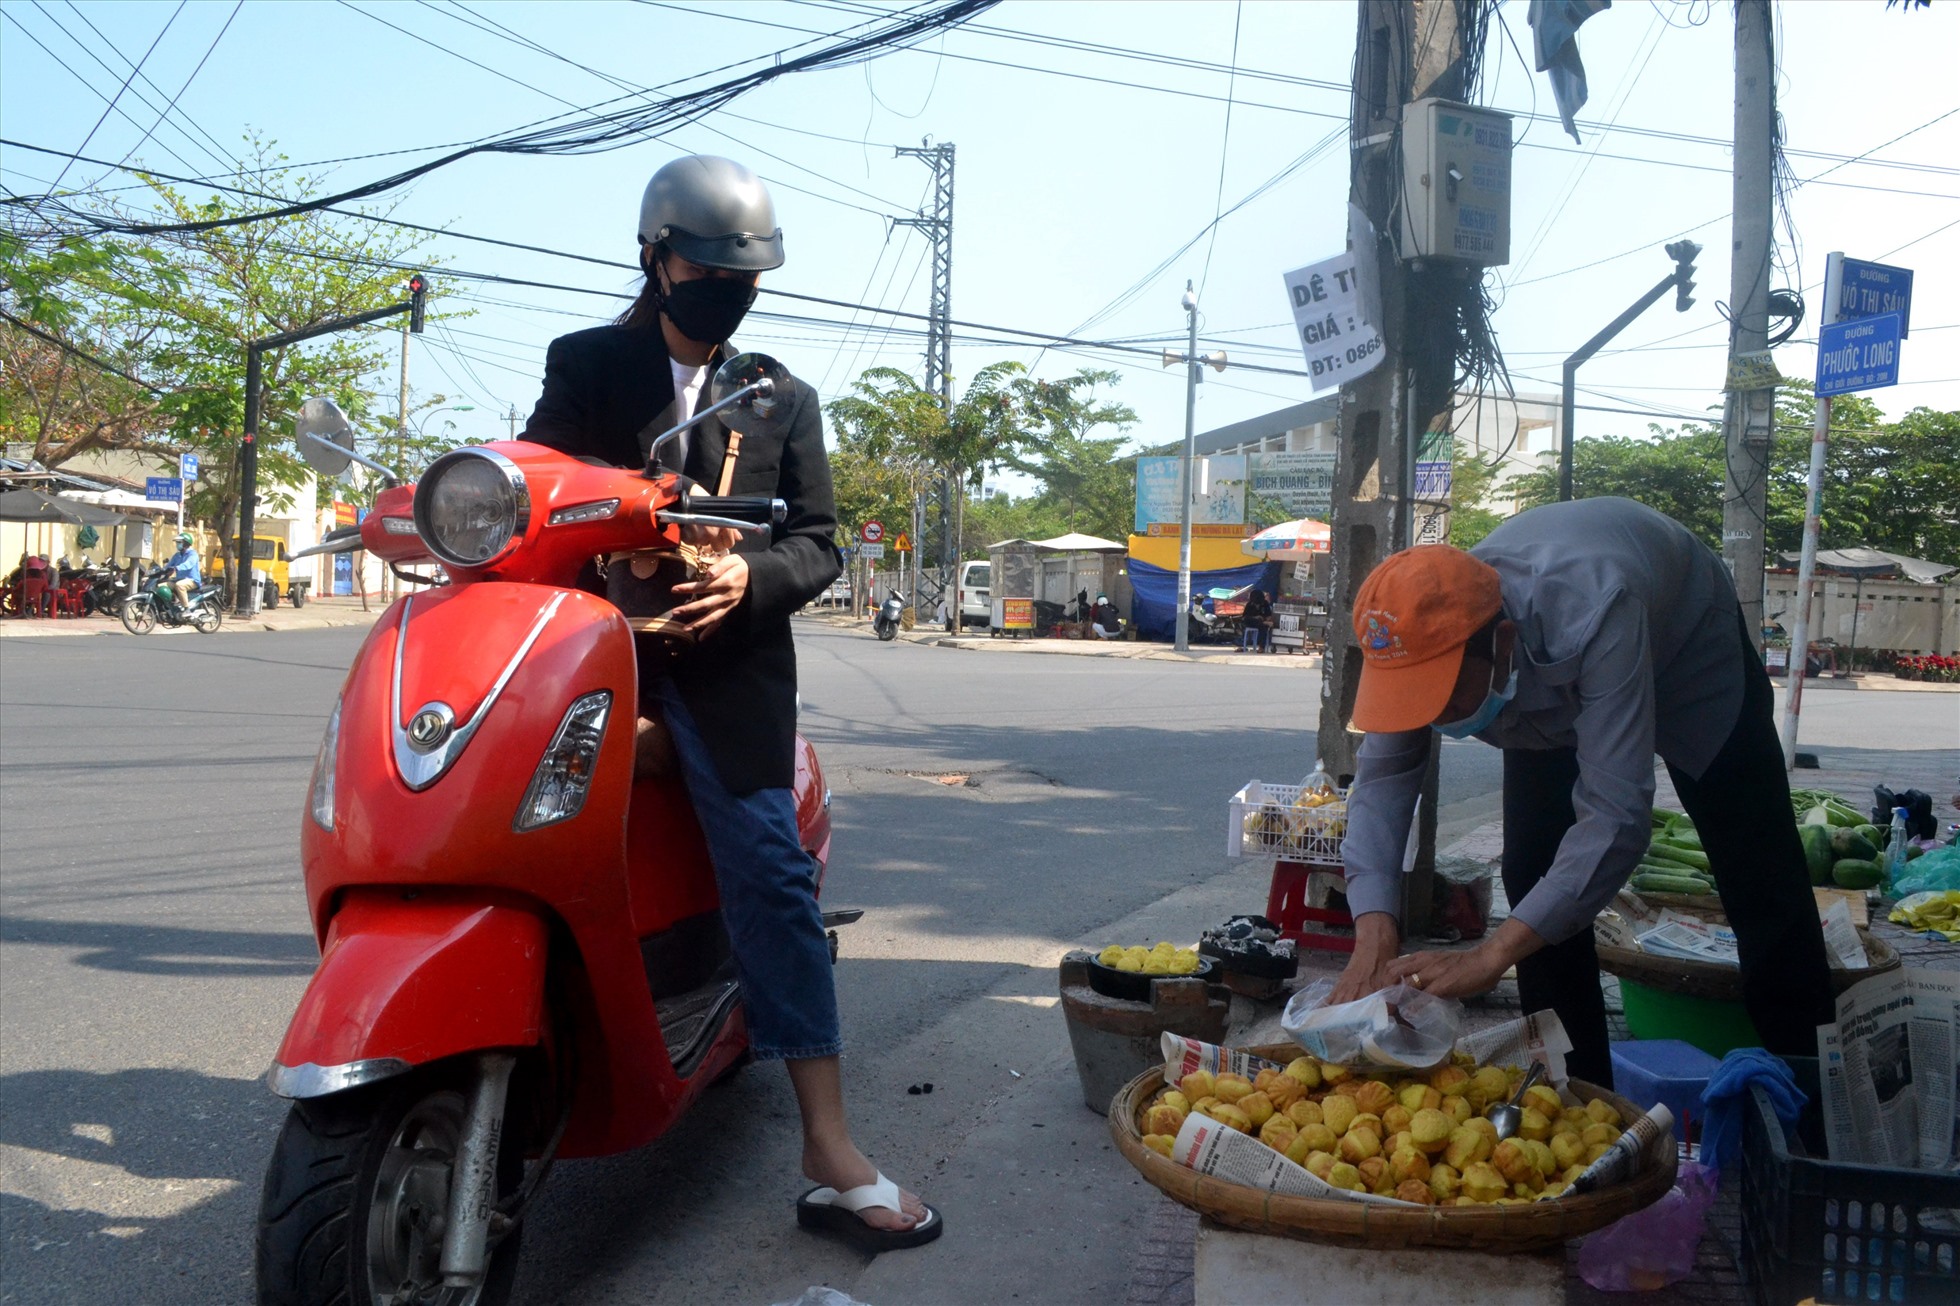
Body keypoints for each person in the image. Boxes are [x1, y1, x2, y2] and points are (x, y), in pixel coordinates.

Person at [519, 154, 939, 1251]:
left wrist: (748, 576)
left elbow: (820, 541)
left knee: (767, 870)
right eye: (704, 269)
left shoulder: (781, 394)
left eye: (743, 276)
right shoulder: (587, 367)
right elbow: (538, 491)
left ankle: (827, 1136)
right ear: (655, 260)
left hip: (726, 670)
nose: (724, 291)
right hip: (593, 652)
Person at [1326, 497, 1833, 1087]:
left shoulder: (1595, 606)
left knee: (1760, 873)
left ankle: (1814, 1095)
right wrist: (1374, 930)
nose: (1433, 718)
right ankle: (1574, 1094)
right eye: (1415, 700)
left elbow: (1616, 818)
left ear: (1504, 645)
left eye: (1447, 699)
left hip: (1688, 647)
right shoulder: (1413, 634)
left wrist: (1490, 957)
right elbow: (1383, 782)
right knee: (1534, 875)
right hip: (1550, 689)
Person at [160, 532, 200, 613]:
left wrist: (176, 568)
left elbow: (189, 564)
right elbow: (169, 565)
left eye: (179, 542)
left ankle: (186, 609)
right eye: (177, 542)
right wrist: (161, 571)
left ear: (185, 543)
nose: (177, 544)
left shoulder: (192, 554)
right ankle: (169, 606)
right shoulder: (177, 555)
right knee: (160, 585)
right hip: (179, 579)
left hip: (192, 580)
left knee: (179, 585)